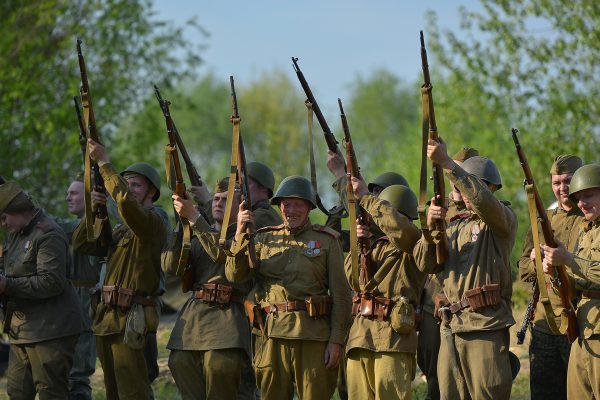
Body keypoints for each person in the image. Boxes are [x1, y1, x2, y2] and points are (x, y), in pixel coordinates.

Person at [226, 176, 352, 400]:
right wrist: (239, 235)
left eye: (298, 204)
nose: (291, 210)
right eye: (286, 204)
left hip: (313, 336)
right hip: (272, 335)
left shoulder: (327, 240)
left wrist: (336, 341)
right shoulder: (263, 238)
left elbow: (341, 295)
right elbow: (235, 275)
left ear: (309, 207)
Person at [415, 139, 516, 400]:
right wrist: (431, 229)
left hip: (485, 327)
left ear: (492, 187)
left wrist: (448, 163)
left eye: (475, 184)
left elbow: (483, 202)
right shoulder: (455, 225)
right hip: (451, 326)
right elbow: (426, 265)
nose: (467, 191)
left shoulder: (501, 220)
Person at [73, 139, 167, 399]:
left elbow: (126, 204)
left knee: (133, 392)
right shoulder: (122, 228)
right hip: (107, 318)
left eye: (136, 185)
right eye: (128, 184)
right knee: (114, 392)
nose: (130, 189)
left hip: (131, 319)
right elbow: (83, 244)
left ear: (152, 192)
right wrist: (93, 209)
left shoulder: (155, 221)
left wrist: (104, 163)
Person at [167, 178, 252, 399]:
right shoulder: (197, 236)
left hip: (228, 319)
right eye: (215, 198)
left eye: (226, 200)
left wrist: (194, 217)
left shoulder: (246, 236)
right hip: (193, 321)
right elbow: (170, 267)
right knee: (180, 363)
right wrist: (182, 223)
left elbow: (222, 254)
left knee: (221, 370)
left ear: (240, 206)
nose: (218, 203)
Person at [0, 180, 84, 399]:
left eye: (3, 217)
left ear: (17, 210)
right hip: (23, 330)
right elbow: (10, 267)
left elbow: (51, 282)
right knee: (17, 393)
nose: (3, 224)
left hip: (52, 330)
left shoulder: (48, 234)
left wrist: (7, 285)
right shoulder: (17, 234)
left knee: (51, 393)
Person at [345, 181, 428, 399]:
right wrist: (359, 244)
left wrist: (366, 197)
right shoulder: (376, 245)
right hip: (361, 337)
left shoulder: (416, 241)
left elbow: (398, 229)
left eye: (383, 211)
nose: (376, 217)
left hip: (393, 339)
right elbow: (354, 281)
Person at [517, 155, 583, 400]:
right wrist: (535, 260)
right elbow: (522, 266)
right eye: (556, 182)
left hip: (579, 321)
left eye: (568, 181)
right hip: (545, 323)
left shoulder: (590, 218)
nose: (562, 188)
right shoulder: (543, 221)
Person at [417, 146, 479, 400]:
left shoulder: (483, 207)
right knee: (434, 367)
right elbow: (423, 258)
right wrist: (430, 224)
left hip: (472, 304)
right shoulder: (438, 207)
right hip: (436, 303)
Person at [541, 163, 600, 399]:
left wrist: (568, 260)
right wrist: (557, 270)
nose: (582, 203)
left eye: (589, 195)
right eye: (578, 199)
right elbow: (579, 278)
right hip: (582, 328)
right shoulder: (587, 230)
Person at [56, 174, 102, 400]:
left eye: (73, 193)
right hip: (72, 300)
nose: (68, 198)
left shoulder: (95, 225)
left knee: (79, 373)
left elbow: (59, 226)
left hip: (90, 300)